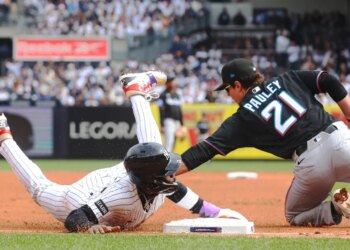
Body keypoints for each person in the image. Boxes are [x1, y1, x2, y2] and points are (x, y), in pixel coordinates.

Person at [0, 71, 247, 234]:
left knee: (153, 146)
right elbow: (75, 218)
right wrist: (88, 228)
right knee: (40, 189)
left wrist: (214, 212)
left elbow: (181, 194)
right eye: (168, 173)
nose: (173, 173)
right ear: (152, 182)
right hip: (79, 198)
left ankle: (136, 90)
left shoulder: (156, 182)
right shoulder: (122, 197)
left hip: (113, 178)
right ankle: (3, 136)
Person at [175, 58, 350, 227]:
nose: (228, 95)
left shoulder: (242, 119)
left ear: (237, 85)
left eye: (227, 89)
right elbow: (326, 79)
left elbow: (205, 150)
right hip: (339, 139)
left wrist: (165, 172)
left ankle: (335, 207)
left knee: (294, 215)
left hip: (312, 163)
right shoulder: (288, 78)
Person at [158, 74, 184, 152]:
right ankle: (165, 159)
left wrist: (182, 124)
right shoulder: (163, 95)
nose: (173, 83)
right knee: (169, 141)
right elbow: (161, 110)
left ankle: (171, 158)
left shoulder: (177, 95)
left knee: (174, 141)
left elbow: (179, 110)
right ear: (167, 83)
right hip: (168, 120)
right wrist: (162, 125)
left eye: (173, 81)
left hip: (177, 121)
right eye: (171, 81)